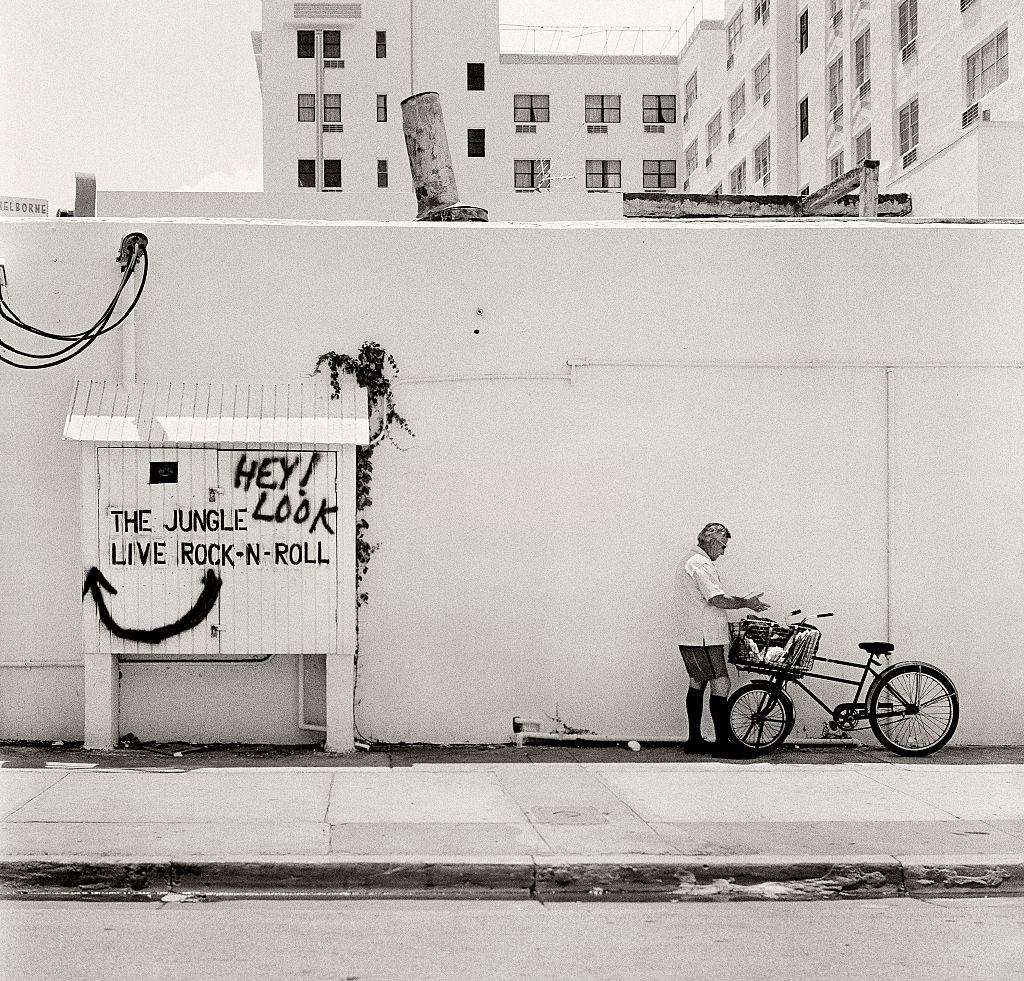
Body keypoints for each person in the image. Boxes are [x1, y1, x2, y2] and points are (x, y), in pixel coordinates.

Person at [675, 522, 769, 756]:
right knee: (721, 682)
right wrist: (747, 602)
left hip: (691, 633)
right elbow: (716, 599)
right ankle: (722, 744)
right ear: (713, 541)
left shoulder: (688, 560)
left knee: (697, 681)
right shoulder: (701, 564)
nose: (724, 551)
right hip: (706, 635)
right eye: (723, 546)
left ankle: (694, 740)